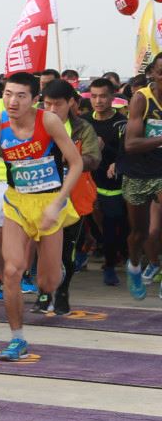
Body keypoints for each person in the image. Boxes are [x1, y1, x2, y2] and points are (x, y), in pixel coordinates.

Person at [0, 72, 82, 360]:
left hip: (50, 201)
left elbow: (75, 164)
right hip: (16, 203)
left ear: (35, 99)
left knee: (47, 283)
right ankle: (17, 338)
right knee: (12, 271)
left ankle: (54, 276)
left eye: (21, 95)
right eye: (8, 94)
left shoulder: (48, 121)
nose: (13, 101)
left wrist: (58, 204)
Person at [38, 79, 101, 315]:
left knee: (66, 250)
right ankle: (44, 293)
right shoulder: (36, 125)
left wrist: (72, 159)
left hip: (74, 197)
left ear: (72, 103)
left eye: (57, 104)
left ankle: (62, 291)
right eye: (47, 104)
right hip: (41, 195)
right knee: (43, 247)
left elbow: (94, 159)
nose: (52, 110)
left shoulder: (82, 128)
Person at [121, 54, 162, 299]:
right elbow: (131, 144)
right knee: (140, 233)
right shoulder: (141, 99)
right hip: (138, 172)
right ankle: (134, 266)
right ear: (153, 74)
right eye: (161, 71)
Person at [87, 77, 127, 287]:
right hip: (87, 181)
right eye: (94, 96)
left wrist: (110, 155)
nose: (98, 100)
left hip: (113, 183)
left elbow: (128, 152)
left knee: (113, 223)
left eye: (103, 96)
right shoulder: (84, 121)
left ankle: (110, 265)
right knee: (90, 222)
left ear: (112, 97)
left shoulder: (122, 123)